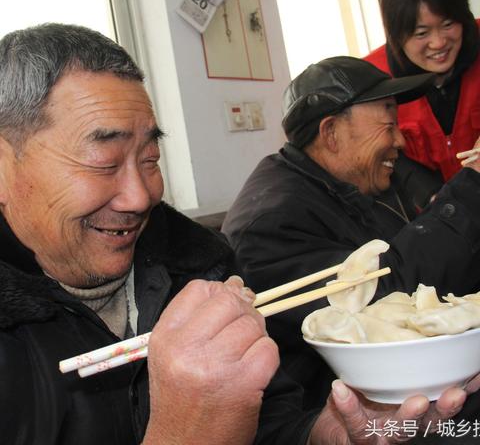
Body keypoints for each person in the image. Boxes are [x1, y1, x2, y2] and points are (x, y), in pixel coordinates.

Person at [0, 24, 465, 445]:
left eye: (149, 160)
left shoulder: (196, 265)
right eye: (103, 161)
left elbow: (271, 421)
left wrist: (323, 435)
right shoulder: (275, 214)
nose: (139, 197)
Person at [222, 56, 480, 432]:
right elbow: (379, 305)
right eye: (389, 125)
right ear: (331, 133)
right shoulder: (272, 222)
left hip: (424, 383)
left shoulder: (364, 179)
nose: (399, 140)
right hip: (345, 419)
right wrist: (471, 185)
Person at [365, 0, 480, 209]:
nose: (439, 42)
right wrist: (428, 194)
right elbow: (374, 153)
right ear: (396, 35)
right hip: (429, 214)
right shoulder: (371, 79)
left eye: (448, 24)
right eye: (421, 33)